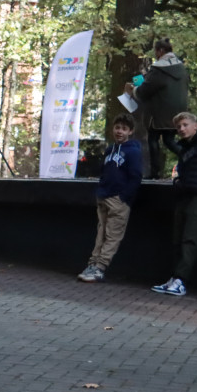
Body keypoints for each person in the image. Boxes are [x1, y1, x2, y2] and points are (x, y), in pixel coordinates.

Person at [150, 112, 197, 296]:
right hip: (184, 195)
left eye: (185, 124)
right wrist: (178, 182)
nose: (181, 129)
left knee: (190, 238)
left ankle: (181, 280)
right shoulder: (184, 150)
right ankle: (175, 277)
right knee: (177, 238)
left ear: (195, 125)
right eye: (179, 126)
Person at [77, 114, 143, 283]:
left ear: (130, 131)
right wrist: (101, 190)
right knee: (101, 233)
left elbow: (135, 177)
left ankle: (100, 267)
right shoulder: (109, 150)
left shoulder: (133, 151)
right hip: (103, 196)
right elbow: (105, 171)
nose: (119, 131)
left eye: (124, 128)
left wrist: (123, 197)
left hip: (118, 199)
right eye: (117, 127)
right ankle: (92, 264)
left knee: (113, 235)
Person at [124, 38, 189, 179]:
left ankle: (155, 173)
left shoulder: (159, 69)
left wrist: (133, 90)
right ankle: (189, 158)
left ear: (160, 51)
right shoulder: (182, 68)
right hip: (178, 112)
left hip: (158, 112)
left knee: (153, 139)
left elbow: (145, 91)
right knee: (169, 140)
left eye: (155, 51)